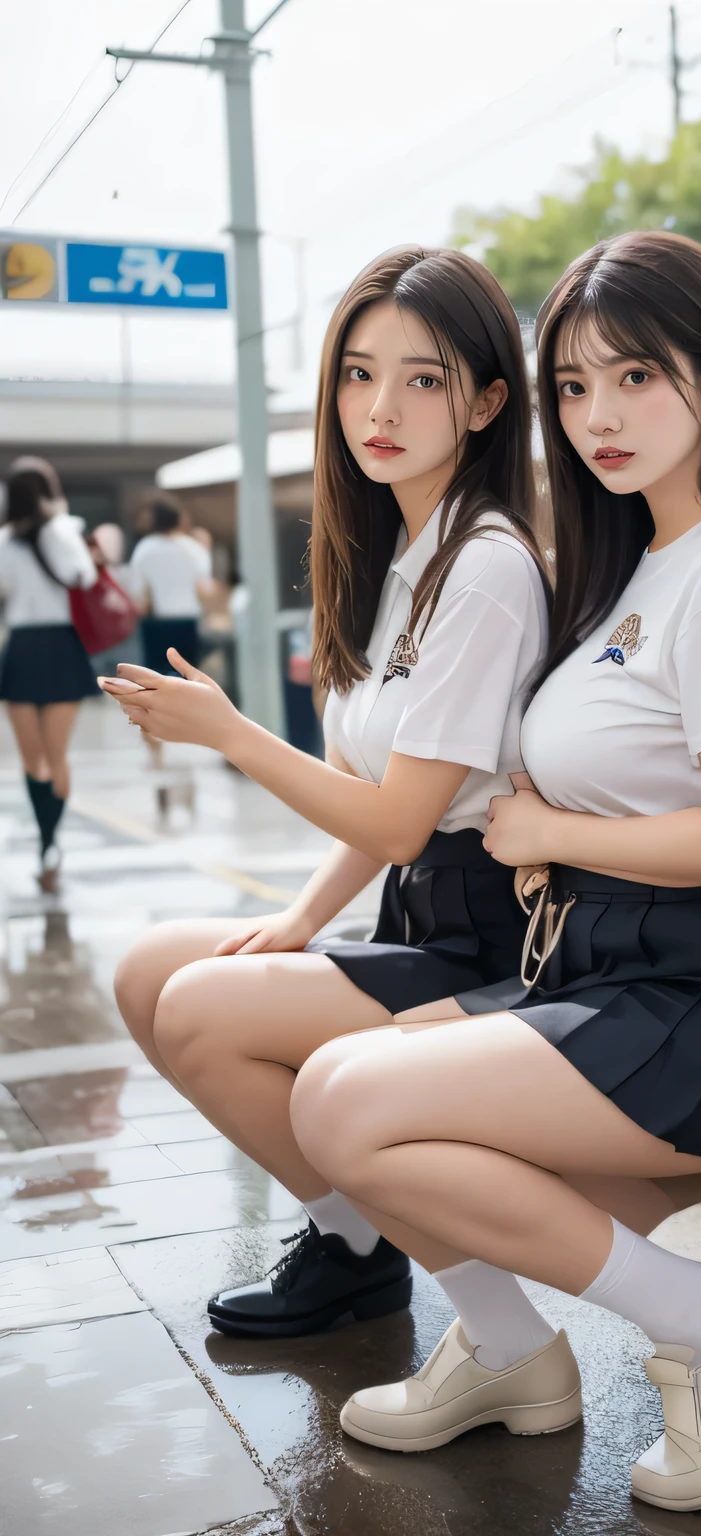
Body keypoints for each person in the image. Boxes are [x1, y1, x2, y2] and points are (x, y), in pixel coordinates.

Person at [282, 232, 701, 1513]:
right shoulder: (637, 567)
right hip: (629, 971)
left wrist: (553, 836)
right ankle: (512, 1348)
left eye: (635, 379)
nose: (597, 417)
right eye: (571, 386)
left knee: (345, 1103)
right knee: (338, 1094)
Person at [104, 247, 550, 1341]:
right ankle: (356, 1241)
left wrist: (232, 736)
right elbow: (375, 785)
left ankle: (478, 1313)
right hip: (423, 922)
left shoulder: (485, 566)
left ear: (489, 402)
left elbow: (402, 818)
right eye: (358, 374)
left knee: (200, 1010)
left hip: (500, 945)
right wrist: (299, 919)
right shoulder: (403, 558)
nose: (380, 407)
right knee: (151, 969)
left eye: (424, 378)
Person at [0, 457, 98, 892]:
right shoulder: (63, 532)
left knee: (32, 759)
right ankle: (50, 843)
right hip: (60, 646)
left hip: (21, 647)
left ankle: (46, 843)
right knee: (57, 757)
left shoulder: (4, 540)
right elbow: (85, 576)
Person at [128, 494, 212, 674]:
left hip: (158, 621)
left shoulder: (145, 549)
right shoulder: (194, 549)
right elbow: (205, 587)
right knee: (189, 675)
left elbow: (139, 592)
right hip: (190, 621)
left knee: (158, 677)